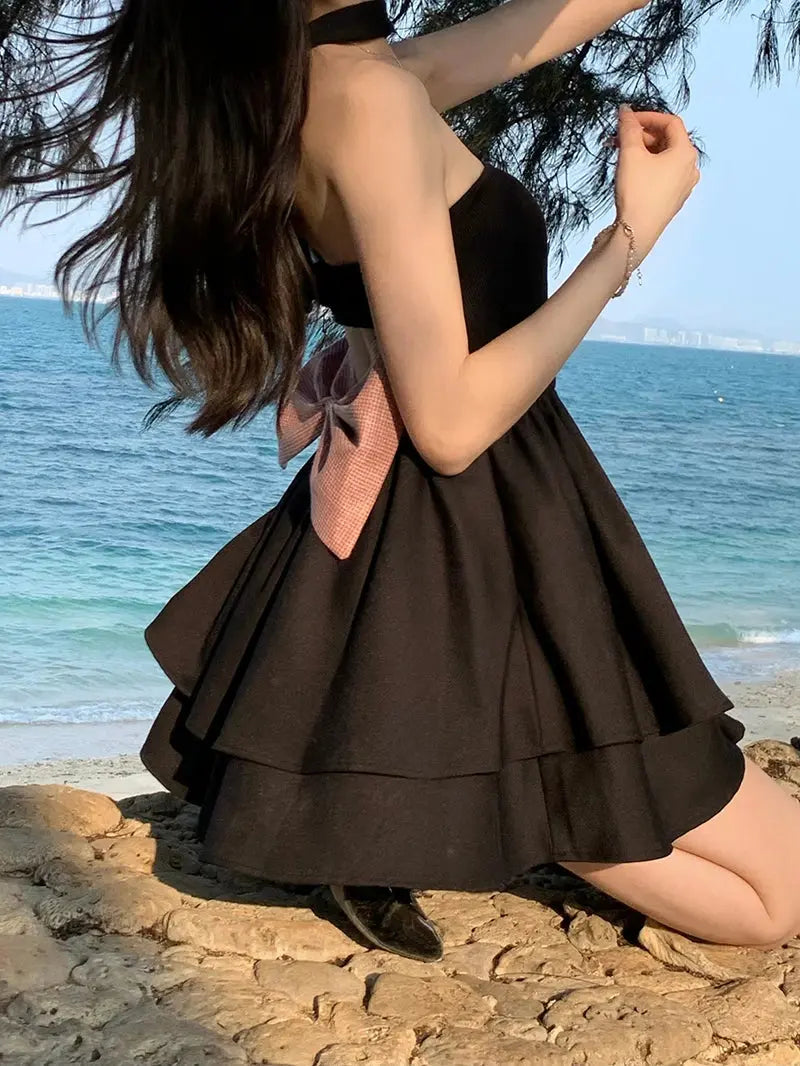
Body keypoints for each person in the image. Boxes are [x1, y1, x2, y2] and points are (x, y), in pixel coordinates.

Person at [4, 0, 800, 964]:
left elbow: (554, 18)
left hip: (486, 515)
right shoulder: (370, 100)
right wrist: (631, 236)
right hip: (471, 532)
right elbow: (452, 426)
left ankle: (456, 798)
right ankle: (488, 797)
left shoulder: (346, 76)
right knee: (776, 903)